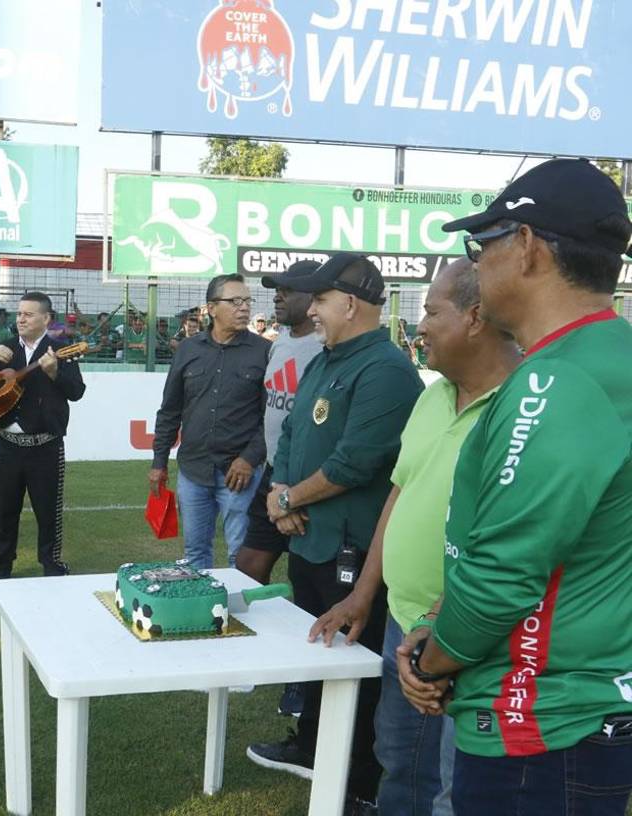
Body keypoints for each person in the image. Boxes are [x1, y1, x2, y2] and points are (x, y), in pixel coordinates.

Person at [399, 158, 632, 816]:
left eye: (483, 245)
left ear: (527, 246)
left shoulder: (557, 381)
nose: (478, 265)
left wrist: (432, 660)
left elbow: (504, 573)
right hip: (569, 726)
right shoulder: (607, 358)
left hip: (536, 730)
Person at [309, 259, 520, 816]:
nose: (418, 326)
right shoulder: (433, 395)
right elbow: (400, 496)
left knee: (457, 786)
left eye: (431, 311)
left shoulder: (525, 410)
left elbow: (511, 546)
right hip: (403, 622)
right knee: (400, 763)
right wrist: (364, 593)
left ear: (475, 318)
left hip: (469, 636)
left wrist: (441, 626)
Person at [245, 252, 422, 812]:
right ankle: (315, 748)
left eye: (319, 300)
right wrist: (280, 497)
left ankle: (360, 780)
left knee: (357, 669)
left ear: (349, 303)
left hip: (355, 549)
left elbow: (356, 462)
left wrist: (288, 497)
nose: (312, 311)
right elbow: (294, 431)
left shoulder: (387, 370)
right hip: (309, 539)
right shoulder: (325, 357)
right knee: (320, 657)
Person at [233, 261, 325, 719]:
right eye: (276, 289)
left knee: (309, 591)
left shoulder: (328, 347)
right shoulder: (280, 343)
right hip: (273, 476)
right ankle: (244, 660)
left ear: (315, 297)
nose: (277, 297)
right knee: (248, 567)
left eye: (287, 290)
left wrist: (291, 492)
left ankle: (299, 685)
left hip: (307, 485)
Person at [150, 274, 270, 570]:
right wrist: (158, 462)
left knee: (238, 557)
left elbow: (273, 417)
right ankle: (202, 615)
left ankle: (237, 615)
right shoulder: (188, 351)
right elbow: (169, 411)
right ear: (212, 308)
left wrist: (249, 458)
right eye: (235, 301)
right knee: (195, 555)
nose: (244, 308)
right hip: (194, 470)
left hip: (240, 475)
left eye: (247, 301)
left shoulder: (265, 352)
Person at [0, 291, 85, 582]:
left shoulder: (61, 349)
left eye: (28, 314)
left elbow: (76, 391)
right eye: (19, 313)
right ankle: (2, 566)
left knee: (48, 512)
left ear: (46, 319)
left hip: (46, 447)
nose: (21, 318)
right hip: (10, 446)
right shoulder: (5, 350)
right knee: (6, 511)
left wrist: (54, 371)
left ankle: (51, 565)